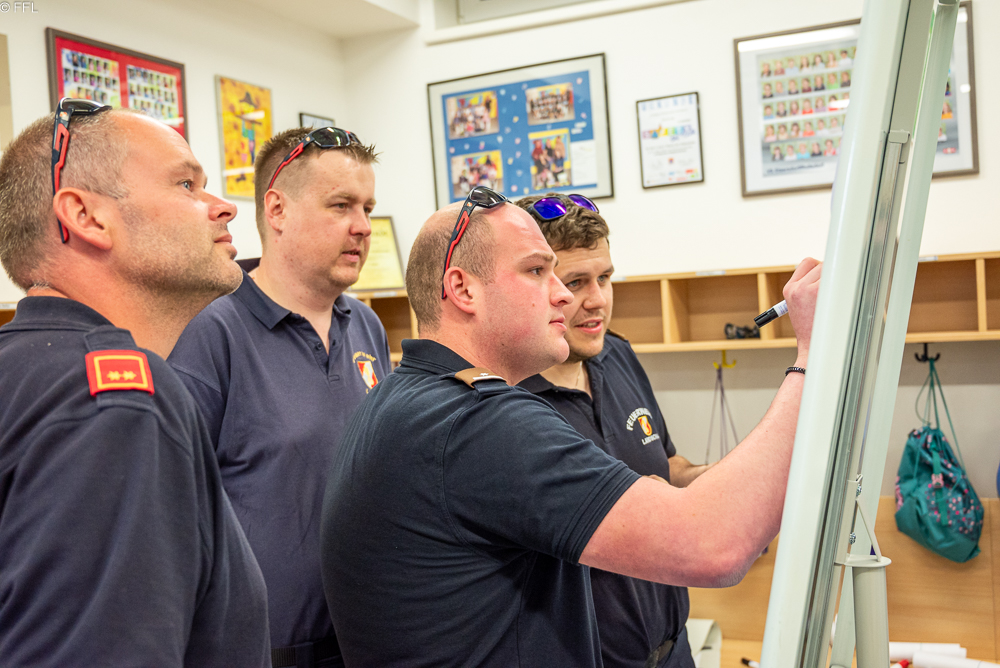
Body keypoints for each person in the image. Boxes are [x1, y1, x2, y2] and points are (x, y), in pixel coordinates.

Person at [320, 186, 820, 666]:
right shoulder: (478, 421)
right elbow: (715, 546)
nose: (564, 295)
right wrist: (814, 354)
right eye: (538, 271)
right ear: (462, 288)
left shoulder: (405, 397)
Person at [0, 101, 269, 665]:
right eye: (186, 185)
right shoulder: (118, 400)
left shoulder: (27, 369)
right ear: (87, 217)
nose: (223, 207)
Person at [168, 127, 390, 668]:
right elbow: (174, 508)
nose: (363, 226)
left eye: (366, 208)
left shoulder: (366, 325)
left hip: (367, 637)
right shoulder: (210, 331)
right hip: (262, 648)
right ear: (277, 210)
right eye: (341, 205)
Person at [513, 193, 711, 668]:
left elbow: (667, 466)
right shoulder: (507, 400)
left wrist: (729, 479)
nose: (598, 300)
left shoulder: (617, 355)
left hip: (673, 650)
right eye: (576, 282)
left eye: (604, 278)